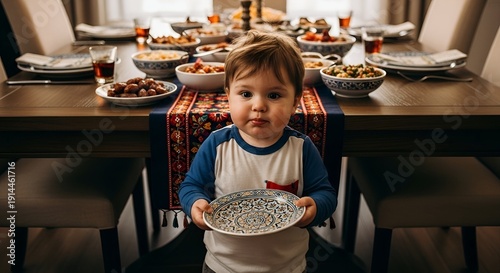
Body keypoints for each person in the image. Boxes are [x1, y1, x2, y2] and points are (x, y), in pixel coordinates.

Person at [178, 30, 337, 273]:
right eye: (245, 94)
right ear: (228, 96)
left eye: (274, 95)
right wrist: (195, 203)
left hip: (288, 266)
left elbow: (325, 192)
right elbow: (191, 186)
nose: (259, 105)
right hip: (222, 266)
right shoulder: (217, 144)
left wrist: (316, 206)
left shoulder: (301, 148)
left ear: (295, 101)